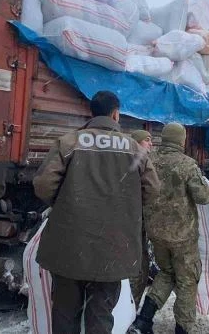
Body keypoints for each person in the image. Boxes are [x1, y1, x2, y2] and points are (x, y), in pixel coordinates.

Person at [33, 91, 160, 333]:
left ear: (92, 113)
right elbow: (152, 190)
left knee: (65, 313)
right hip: (112, 247)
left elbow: (42, 185)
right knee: (100, 314)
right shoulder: (135, 148)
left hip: (68, 245)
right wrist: (124, 207)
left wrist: (68, 206)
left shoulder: (69, 142)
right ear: (115, 114)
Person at [133, 123, 209, 334]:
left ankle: (144, 319)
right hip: (182, 236)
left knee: (166, 271)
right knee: (187, 279)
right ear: (182, 140)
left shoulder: (149, 160)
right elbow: (202, 197)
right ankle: (183, 327)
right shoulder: (187, 164)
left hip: (156, 233)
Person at [129, 129, 154, 309]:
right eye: (147, 140)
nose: (151, 144)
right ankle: (129, 311)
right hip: (134, 224)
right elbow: (152, 191)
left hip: (130, 223)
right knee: (138, 268)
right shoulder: (139, 162)